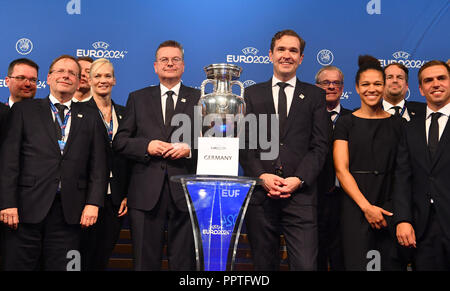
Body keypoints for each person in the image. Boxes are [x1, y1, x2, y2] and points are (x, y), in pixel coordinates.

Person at [0, 55, 107, 271]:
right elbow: (9, 161)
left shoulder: (91, 116)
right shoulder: (24, 111)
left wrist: (93, 203)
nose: (66, 76)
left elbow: (99, 165)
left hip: (70, 213)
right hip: (24, 209)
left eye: (72, 73)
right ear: (48, 78)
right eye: (60, 71)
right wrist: (7, 203)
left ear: (78, 82)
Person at [241, 29, 329, 271]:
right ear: (270, 55)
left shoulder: (315, 96)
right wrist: (261, 176)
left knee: (305, 266)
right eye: (281, 49)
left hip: (301, 196)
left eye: (293, 50)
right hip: (261, 195)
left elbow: (320, 146)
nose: (286, 55)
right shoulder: (251, 94)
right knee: (263, 267)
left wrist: (298, 179)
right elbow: (245, 143)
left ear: (301, 58)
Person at [113, 40, 200, 271]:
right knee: (144, 262)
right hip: (144, 195)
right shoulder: (137, 98)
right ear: (155, 66)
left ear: (183, 65)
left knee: (184, 264)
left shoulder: (200, 98)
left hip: (185, 193)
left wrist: (189, 149)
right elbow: (120, 142)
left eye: (175, 59)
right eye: (164, 59)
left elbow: (215, 144)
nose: (170, 63)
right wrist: (147, 146)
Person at [333, 55, 404, 271]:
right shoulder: (346, 122)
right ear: (356, 87)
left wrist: (387, 209)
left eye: (377, 84)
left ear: (384, 87)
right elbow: (341, 169)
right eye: (365, 84)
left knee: (390, 264)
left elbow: (403, 170)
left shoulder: (399, 124)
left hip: (390, 207)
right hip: (355, 207)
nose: (371, 89)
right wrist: (366, 207)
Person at [393, 60, 450, 270]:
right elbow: (402, 177)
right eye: (428, 80)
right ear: (420, 89)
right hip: (422, 229)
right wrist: (403, 219)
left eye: (441, 78)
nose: (435, 84)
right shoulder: (410, 128)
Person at [80, 58, 129, 270]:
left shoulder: (125, 113)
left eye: (107, 75)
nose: (103, 80)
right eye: (97, 76)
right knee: (80, 256)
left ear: (115, 80)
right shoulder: (78, 111)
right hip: (85, 197)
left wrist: (127, 193)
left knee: (103, 256)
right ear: (89, 80)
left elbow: (130, 158)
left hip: (115, 199)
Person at [315, 65, 350, 271]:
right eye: (326, 83)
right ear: (317, 87)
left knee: (342, 257)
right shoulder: (306, 118)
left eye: (336, 83)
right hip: (313, 197)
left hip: (345, 199)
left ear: (343, 88)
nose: (331, 87)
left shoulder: (353, 118)